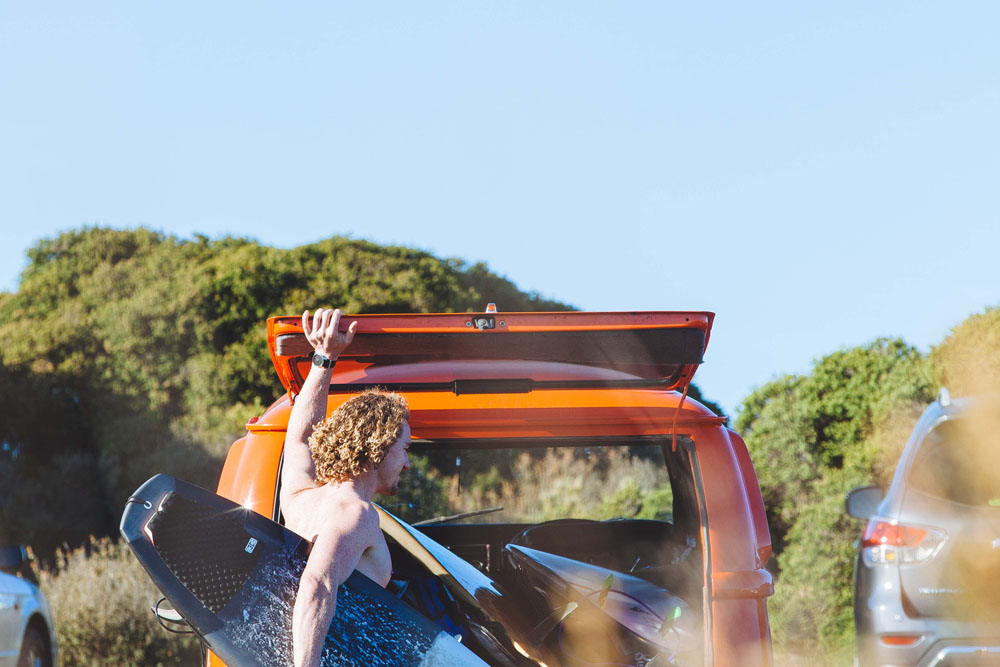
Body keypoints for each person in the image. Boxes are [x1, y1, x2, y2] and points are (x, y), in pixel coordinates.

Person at [279, 307, 412, 667]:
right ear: (378, 449)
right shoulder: (355, 512)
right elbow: (317, 586)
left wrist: (324, 359)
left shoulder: (302, 498)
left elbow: (301, 438)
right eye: (404, 450)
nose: (407, 463)